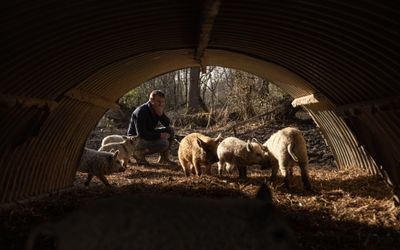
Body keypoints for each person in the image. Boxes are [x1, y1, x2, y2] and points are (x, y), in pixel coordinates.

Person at [127, 90, 176, 166]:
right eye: (158, 101)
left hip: (147, 134)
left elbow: (167, 124)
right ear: (151, 100)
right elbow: (141, 134)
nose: (161, 104)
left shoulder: (157, 109)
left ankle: (164, 158)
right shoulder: (141, 111)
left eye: (162, 102)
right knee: (164, 143)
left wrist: (161, 114)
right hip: (135, 140)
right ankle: (138, 153)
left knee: (170, 130)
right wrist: (159, 135)